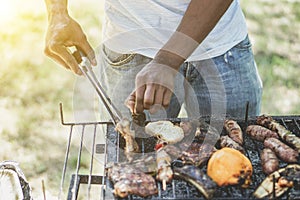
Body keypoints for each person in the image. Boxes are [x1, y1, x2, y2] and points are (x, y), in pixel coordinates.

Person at [44, 0, 263, 120]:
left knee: (236, 161)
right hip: (131, 49)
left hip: (221, 47)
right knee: (132, 165)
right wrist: (57, 13)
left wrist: (168, 60)